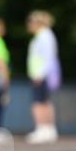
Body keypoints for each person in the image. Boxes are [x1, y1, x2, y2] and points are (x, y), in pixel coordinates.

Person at [25, 10, 60, 144]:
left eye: (30, 22)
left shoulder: (43, 36)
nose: (28, 25)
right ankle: (48, 129)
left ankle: (42, 129)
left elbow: (47, 57)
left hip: (41, 74)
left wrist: (39, 74)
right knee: (45, 101)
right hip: (44, 73)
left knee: (38, 103)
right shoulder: (45, 35)